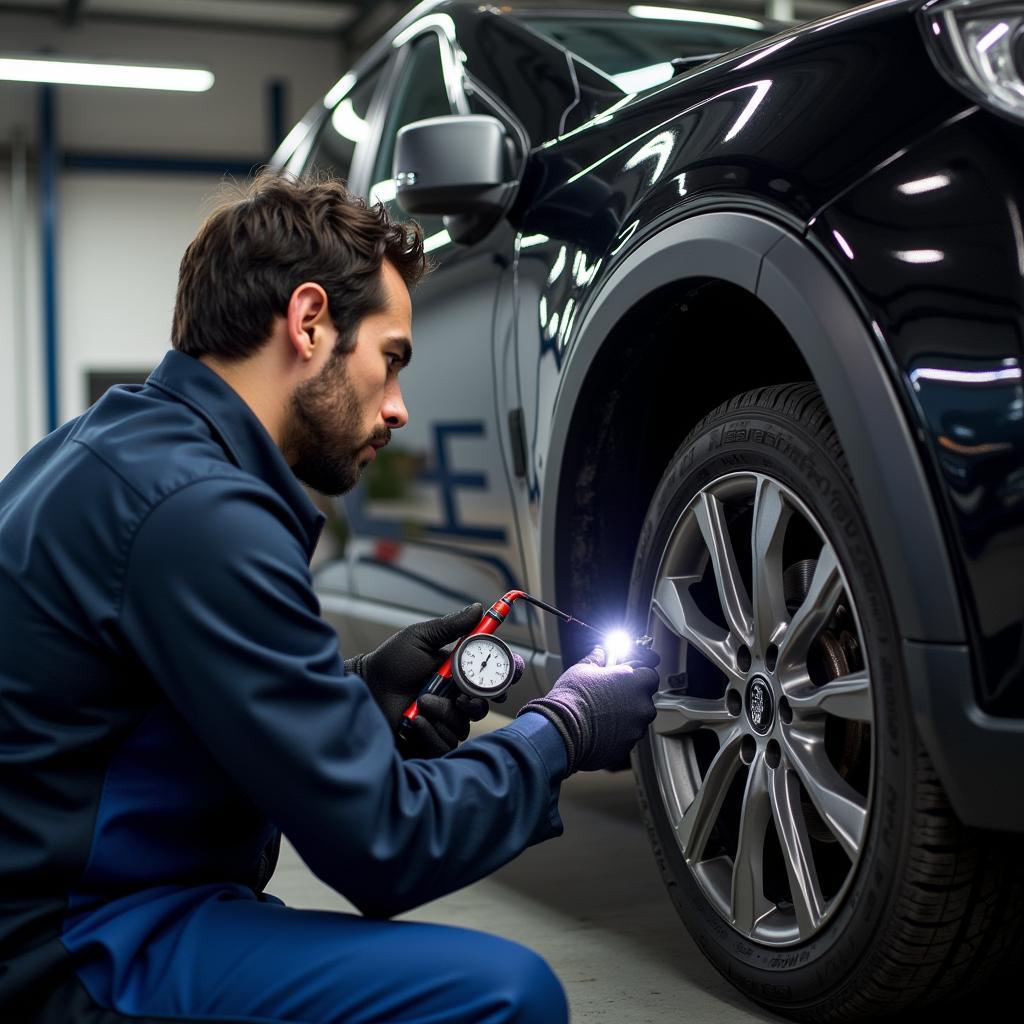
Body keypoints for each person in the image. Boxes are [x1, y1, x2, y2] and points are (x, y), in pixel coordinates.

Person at [0, 173, 660, 1024]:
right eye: (390, 360)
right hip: (77, 952)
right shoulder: (198, 512)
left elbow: (147, 712)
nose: (397, 408)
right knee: (508, 996)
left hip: (85, 905)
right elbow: (380, 847)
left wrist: (359, 690)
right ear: (309, 322)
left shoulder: (115, 451)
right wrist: (562, 731)